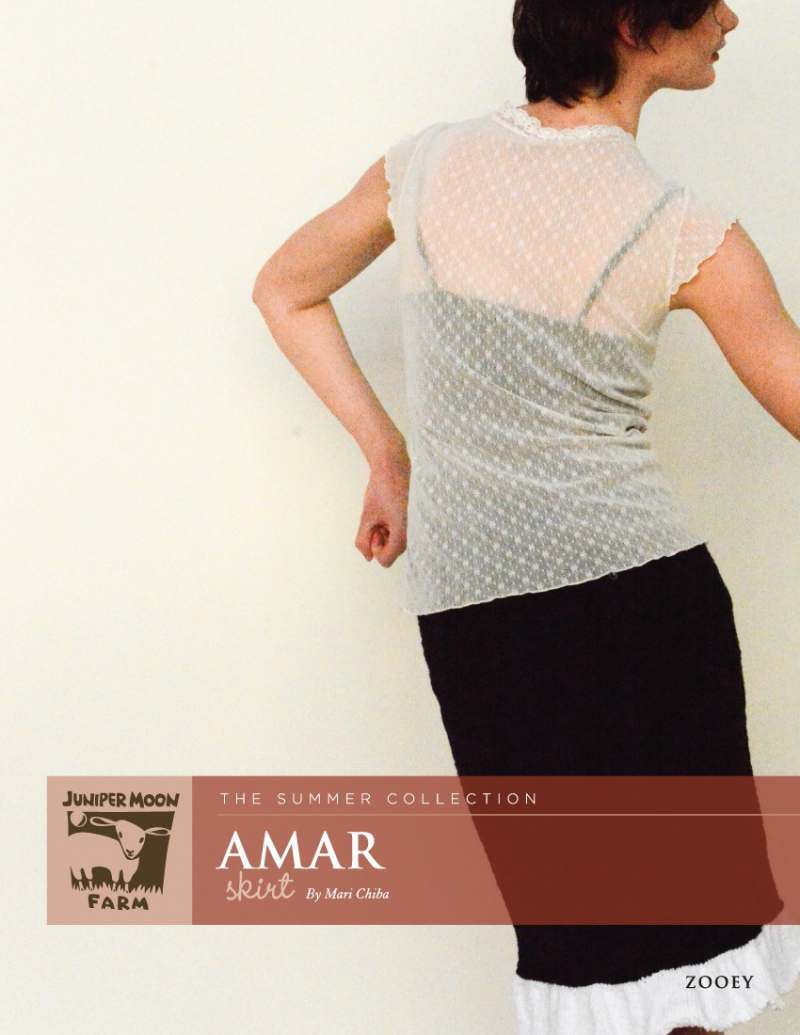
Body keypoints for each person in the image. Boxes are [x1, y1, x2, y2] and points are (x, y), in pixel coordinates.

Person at [251, 1, 800, 1032]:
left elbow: (284, 290)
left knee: (589, 958)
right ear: (633, 24)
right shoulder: (681, 224)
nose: (731, 16)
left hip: (482, 622)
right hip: (642, 619)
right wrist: (391, 458)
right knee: (682, 965)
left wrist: (388, 457)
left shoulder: (423, 165)